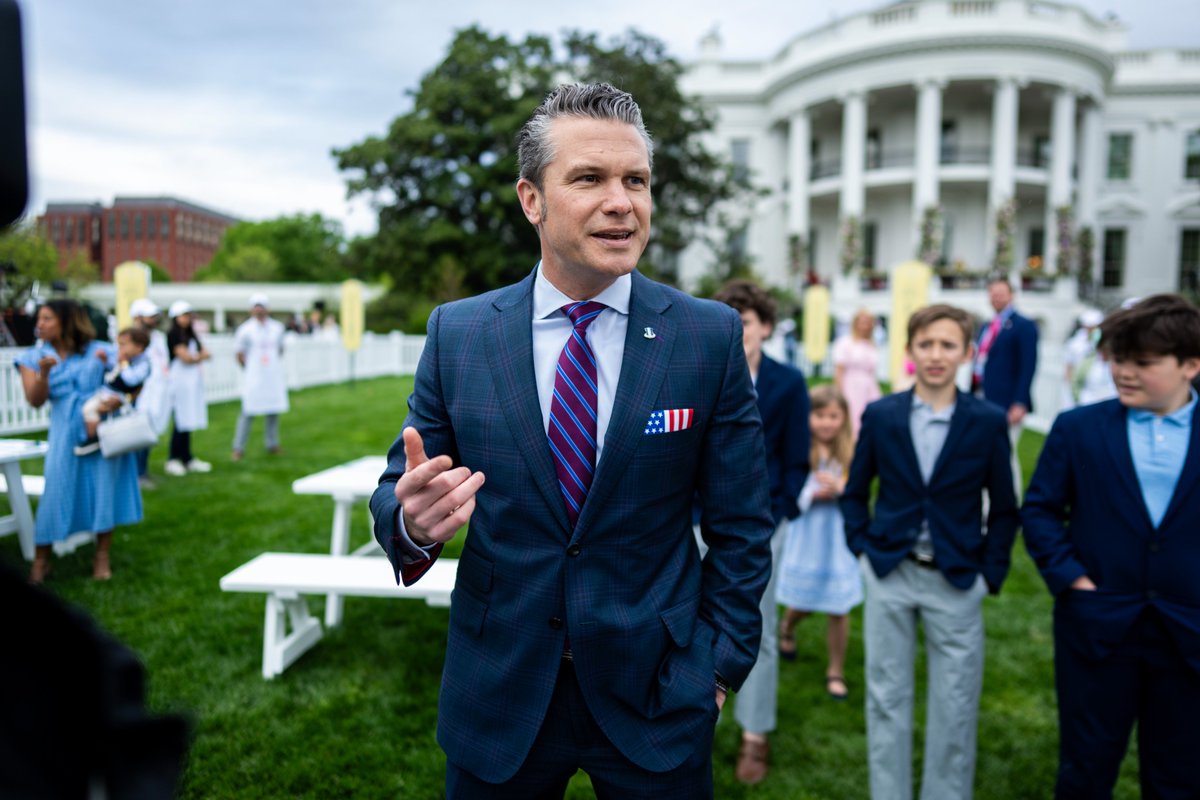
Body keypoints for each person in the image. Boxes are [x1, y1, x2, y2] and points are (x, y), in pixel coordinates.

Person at [370, 83, 774, 799]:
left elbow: (743, 526)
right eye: (589, 178)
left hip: (658, 688)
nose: (622, 202)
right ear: (532, 199)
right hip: (499, 688)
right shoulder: (458, 334)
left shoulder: (707, 336)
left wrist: (715, 670)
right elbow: (397, 487)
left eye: (636, 181)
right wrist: (409, 520)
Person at [1022, 294, 1200, 799]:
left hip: (1190, 633)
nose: (1124, 372)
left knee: (1181, 776)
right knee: (1085, 768)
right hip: (1098, 628)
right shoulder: (1078, 429)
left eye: (1143, 363)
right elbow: (1038, 511)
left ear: (1191, 364)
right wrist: (1072, 580)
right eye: (1118, 359)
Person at [841, 303, 1018, 800]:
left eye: (947, 345)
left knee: (955, 706)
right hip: (890, 572)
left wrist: (990, 573)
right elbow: (856, 493)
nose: (936, 354)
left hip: (957, 578)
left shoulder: (985, 422)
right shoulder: (881, 415)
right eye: (926, 344)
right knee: (886, 698)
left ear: (965, 353)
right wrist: (862, 550)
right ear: (910, 351)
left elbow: (1005, 509)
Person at [711, 279, 810, 785]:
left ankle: (756, 735)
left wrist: (782, 510)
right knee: (688, 623)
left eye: (744, 320)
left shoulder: (788, 383)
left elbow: (798, 457)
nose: (734, 327)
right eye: (726, 316)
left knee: (761, 629)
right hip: (694, 520)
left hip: (763, 526)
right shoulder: (701, 373)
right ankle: (695, 723)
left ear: (765, 327)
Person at [14, 300, 143, 583]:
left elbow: (132, 378)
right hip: (64, 432)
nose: (40, 324)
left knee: (103, 491)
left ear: (67, 320)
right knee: (55, 493)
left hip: (101, 431)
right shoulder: (31, 357)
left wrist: (119, 399)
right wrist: (44, 373)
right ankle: (41, 561)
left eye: (47, 318)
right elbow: (35, 401)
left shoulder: (101, 350)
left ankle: (101, 556)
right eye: (39, 319)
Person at [777, 386, 863, 702]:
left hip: (837, 537)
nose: (826, 423)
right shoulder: (800, 448)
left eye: (833, 416)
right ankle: (787, 625)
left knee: (839, 608)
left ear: (843, 419)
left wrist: (841, 488)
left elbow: (859, 494)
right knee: (806, 601)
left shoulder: (850, 452)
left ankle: (835, 670)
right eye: (819, 415)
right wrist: (811, 493)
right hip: (808, 534)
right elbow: (790, 492)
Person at [972, 277, 1038, 493]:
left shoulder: (1023, 326)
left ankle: (1010, 503)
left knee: (1005, 454)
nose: (996, 297)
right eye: (993, 293)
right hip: (982, 396)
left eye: (1000, 293)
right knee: (981, 453)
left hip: (1007, 402)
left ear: (1011, 295)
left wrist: (1019, 402)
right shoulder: (987, 326)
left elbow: (1028, 366)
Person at [73, 327, 151, 456]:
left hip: (118, 396)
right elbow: (113, 368)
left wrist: (123, 364)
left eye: (123, 345)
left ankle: (93, 439)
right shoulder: (128, 360)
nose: (120, 348)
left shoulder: (143, 363)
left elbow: (131, 380)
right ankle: (95, 437)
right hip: (109, 392)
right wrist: (105, 361)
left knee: (90, 409)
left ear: (138, 347)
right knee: (90, 409)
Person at [231, 293, 288, 461]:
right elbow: (239, 353)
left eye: (262, 307)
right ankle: (238, 447)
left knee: (273, 410)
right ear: (251, 310)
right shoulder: (245, 330)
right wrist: (249, 368)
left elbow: (280, 349)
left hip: (272, 375)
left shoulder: (277, 328)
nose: (259, 310)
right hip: (254, 376)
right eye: (256, 307)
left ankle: (272, 443)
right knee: (248, 411)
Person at [164, 301, 211, 476]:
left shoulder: (191, 335)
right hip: (180, 382)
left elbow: (205, 353)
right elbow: (186, 358)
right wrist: (199, 357)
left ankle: (187, 458)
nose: (186, 319)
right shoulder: (173, 335)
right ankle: (173, 458)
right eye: (183, 315)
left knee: (188, 419)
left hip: (192, 382)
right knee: (181, 420)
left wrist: (197, 356)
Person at [129, 299, 171, 490]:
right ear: (138, 317)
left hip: (158, 391)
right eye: (150, 316)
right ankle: (137, 474)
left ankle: (142, 471)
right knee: (138, 433)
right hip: (141, 393)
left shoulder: (159, 337)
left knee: (150, 432)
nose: (154, 320)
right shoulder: (130, 338)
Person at [833, 308, 883, 437]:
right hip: (851, 386)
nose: (864, 325)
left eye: (867, 322)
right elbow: (839, 370)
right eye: (862, 322)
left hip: (869, 387)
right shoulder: (846, 342)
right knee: (852, 418)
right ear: (855, 323)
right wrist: (839, 392)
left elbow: (872, 373)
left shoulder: (872, 345)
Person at [1062, 308, 1116, 409]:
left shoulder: (1104, 341)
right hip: (1083, 391)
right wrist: (1073, 391)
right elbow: (1069, 368)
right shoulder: (1076, 343)